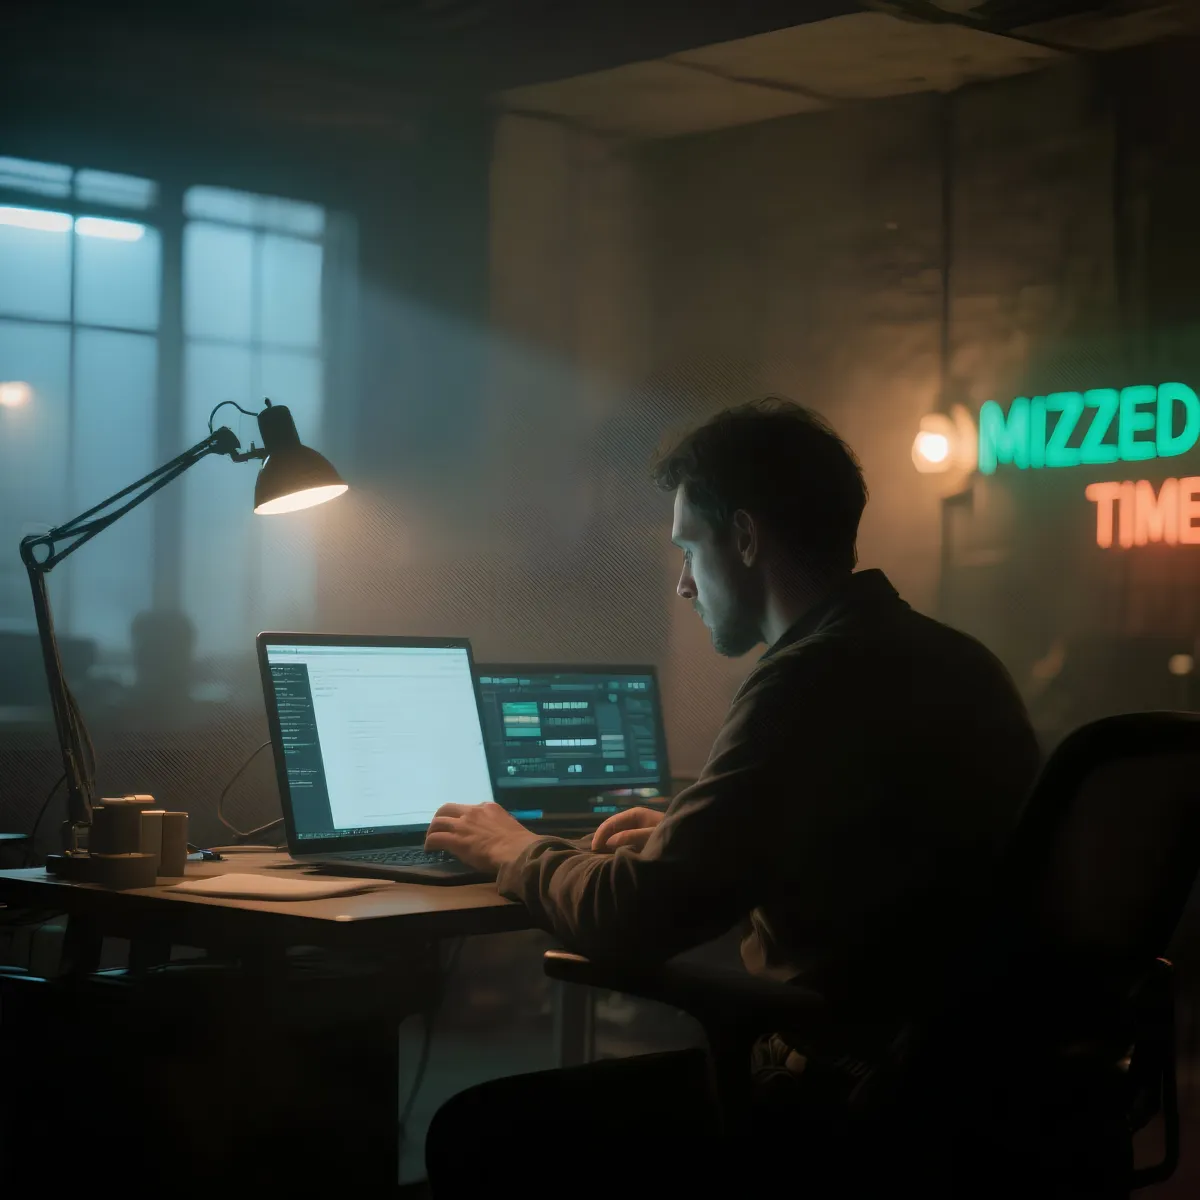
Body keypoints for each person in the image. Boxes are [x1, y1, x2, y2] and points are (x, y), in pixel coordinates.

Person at [423, 398, 1041, 1194]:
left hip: (840, 1097)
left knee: (475, 1134)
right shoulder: (955, 659)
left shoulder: (810, 676)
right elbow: (873, 851)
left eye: (688, 547)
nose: (681, 582)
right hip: (973, 1087)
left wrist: (513, 848)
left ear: (745, 539)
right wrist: (692, 828)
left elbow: (632, 916)